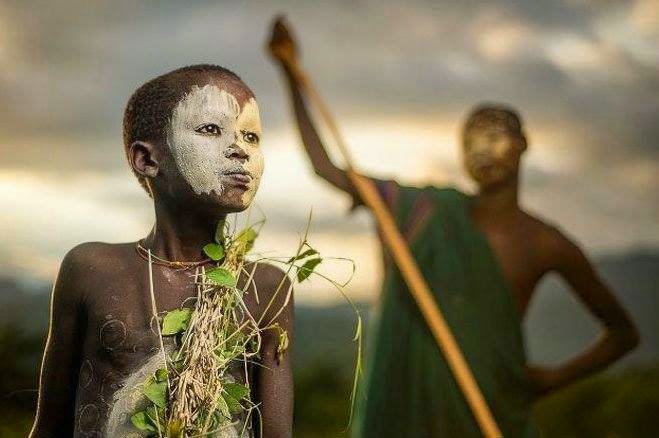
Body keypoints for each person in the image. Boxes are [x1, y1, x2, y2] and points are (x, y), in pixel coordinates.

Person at [268, 19, 639, 437]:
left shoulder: (545, 243)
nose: (483, 150)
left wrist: (554, 378)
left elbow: (623, 334)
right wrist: (291, 73)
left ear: (523, 145)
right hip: (408, 409)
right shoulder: (421, 210)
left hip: (492, 410)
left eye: (495, 136)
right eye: (471, 142)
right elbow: (326, 168)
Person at [30, 64, 294, 437]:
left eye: (251, 136)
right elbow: (49, 426)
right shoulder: (92, 270)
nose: (240, 150)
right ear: (148, 159)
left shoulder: (265, 287)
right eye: (210, 130)